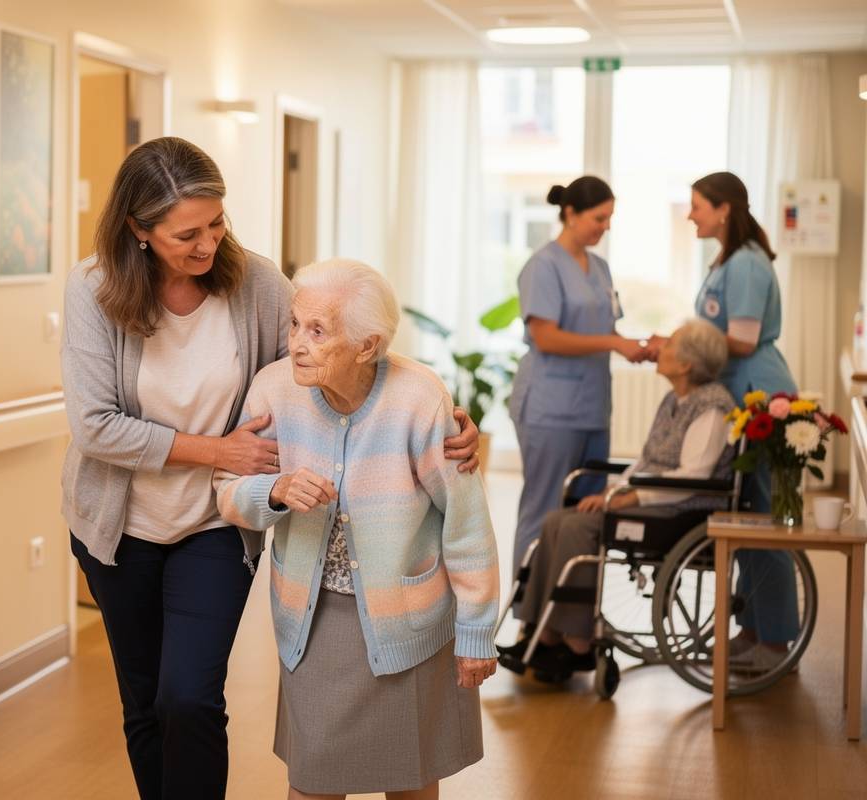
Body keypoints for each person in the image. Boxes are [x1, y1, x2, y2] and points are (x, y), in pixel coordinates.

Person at [60, 137, 481, 800]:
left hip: (215, 519)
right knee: (144, 704)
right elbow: (94, 426)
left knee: (190, 697)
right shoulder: (95, 289)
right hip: (120, 527)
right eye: (187, 234)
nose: (208, 245)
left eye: (218, 222)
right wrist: (216, 450)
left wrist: (440, 412)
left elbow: (342, 340)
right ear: (138, 231)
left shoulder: (253, 281)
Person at [215, 259, 500, 800]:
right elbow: (226, 488)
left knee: (411, 779)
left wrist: (476, 630)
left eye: (317, 331)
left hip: (410, 619)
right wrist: (272, 491)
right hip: (314, 620)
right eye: (295, 324)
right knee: (313, 778)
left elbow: (465, 524)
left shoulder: (419, 397)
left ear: (367, 346)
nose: (297, 342)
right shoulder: (274, 390)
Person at [500, 320, 734, 678]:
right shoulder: (675, 399)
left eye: (669, 344)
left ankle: (578, 643)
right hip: (653, 501)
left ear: (687, 365)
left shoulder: (712, 407)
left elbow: (694, 477)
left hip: (678, 511)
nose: (659, 348)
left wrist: (633, 495)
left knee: (579, 528)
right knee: (555, 520)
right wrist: (615, 489)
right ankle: (542, 633)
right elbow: (646, 460)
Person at [648, 171, 800, 671]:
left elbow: (743, 340)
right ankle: (752, 628)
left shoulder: (748, 266)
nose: (690, 214)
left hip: (762, 397)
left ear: (723, 209)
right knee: (743, 515)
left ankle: (776, 642)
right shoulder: (727, 261)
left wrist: (683, 341)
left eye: (696, 206)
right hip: (738, 397)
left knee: (767, 522)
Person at [509, 176, 649, 573]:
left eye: (609, 219)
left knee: (587, 512)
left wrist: (633, 345)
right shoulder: (543, 266)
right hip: (550, 408)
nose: (605, 227)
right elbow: (546, 337)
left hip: (592, 407)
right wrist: (612, 344)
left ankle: (570, 621)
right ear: (570, 214)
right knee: (544, 509)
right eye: (599, 218)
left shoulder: (600, 267)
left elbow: (607, 331)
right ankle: (529, 619)